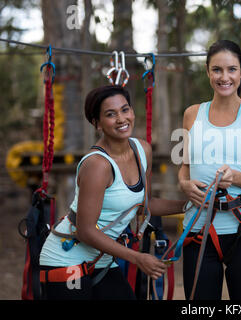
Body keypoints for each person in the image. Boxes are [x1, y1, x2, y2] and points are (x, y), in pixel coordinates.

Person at [39, 85, 186, 300]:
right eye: (110, 114)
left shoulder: (142, 150)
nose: (121, 119)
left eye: (125, 110)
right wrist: (137, 258)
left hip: (102, 259)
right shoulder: (97, 165)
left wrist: (188, 204)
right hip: (66, 260)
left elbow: (145, 204)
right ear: (97, 123)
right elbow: (86, 231)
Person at [178, 40, 241, 300]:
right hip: (197, 231)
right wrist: (185, 185)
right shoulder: (191, 114)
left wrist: (235, 177)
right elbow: (184, 168)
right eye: (217, 70)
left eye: (232, 69)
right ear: (207, 71)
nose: (224, 77)